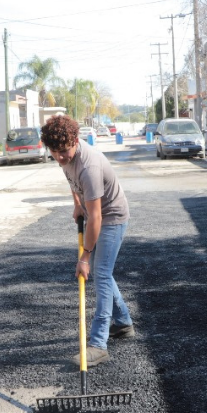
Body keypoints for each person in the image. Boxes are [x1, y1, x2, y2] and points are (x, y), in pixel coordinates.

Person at [40, 115, 133, 367]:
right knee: (105, 273)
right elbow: (71, 180)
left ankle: (98, 345)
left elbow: (96, 217)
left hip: (112, 216)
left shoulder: (89, 166)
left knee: (101, 274)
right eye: (54, 152)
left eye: (64, 151)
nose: (60, 157)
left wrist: (85, 257)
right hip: (95, 212)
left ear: (75, 141)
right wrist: (76, 203)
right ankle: (123, 324)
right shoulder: (64, 157)